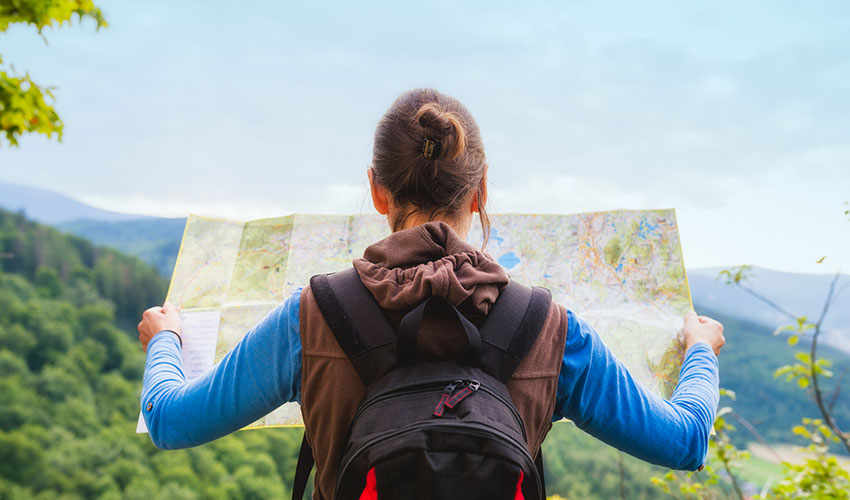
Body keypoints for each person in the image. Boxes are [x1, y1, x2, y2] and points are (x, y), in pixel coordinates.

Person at [138, 88, 724, 499]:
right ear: (481, 191)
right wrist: (699, 349)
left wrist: (165, 340)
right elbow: (685, 440)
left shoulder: (311, 318)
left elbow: (170, 420)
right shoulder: (551, 330)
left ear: (376, 190)